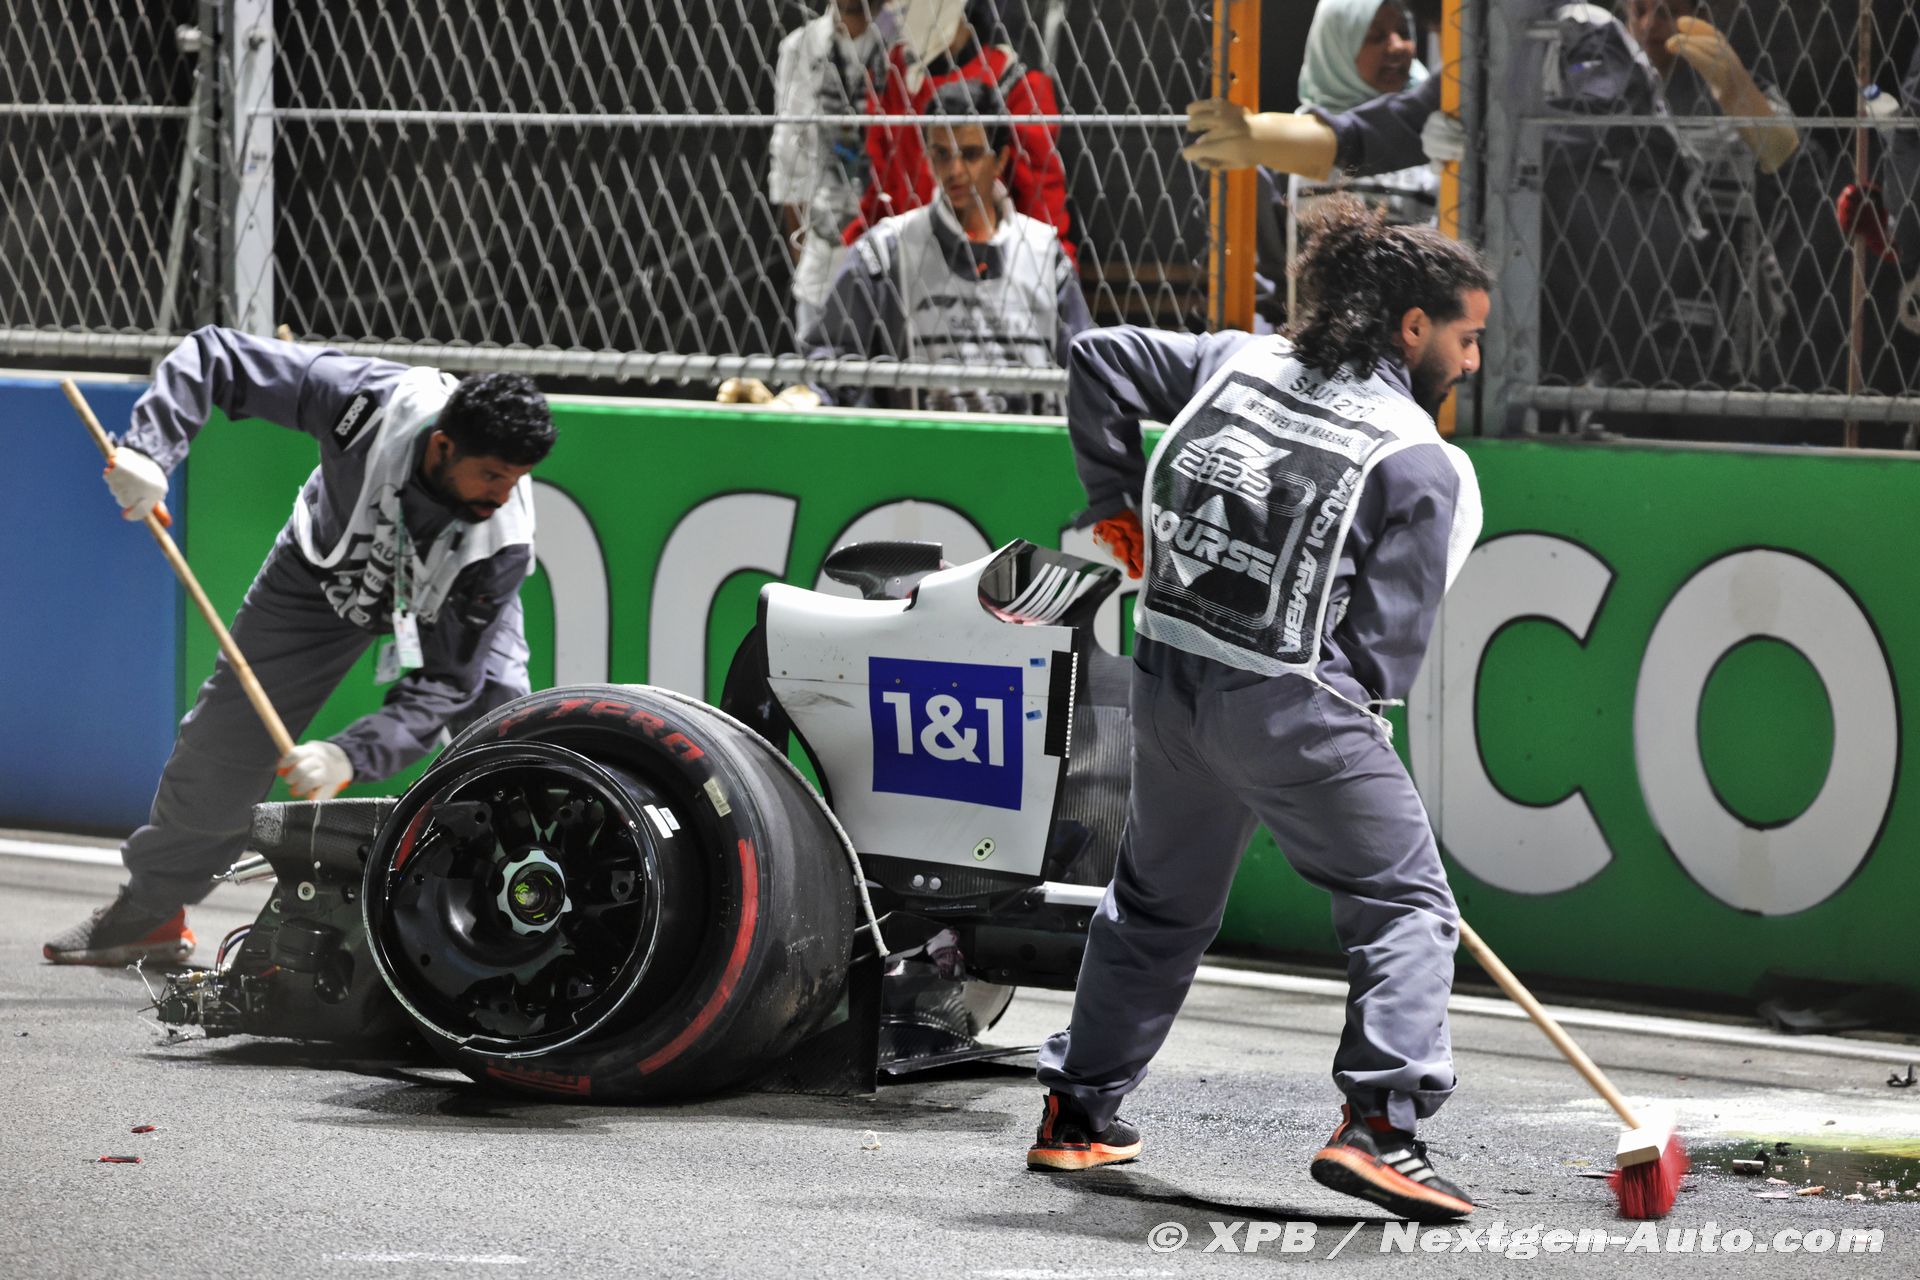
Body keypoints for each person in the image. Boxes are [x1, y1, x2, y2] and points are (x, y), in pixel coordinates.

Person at [1027, 196, 1487, 1224]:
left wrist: (1113, 501)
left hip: (1169, 682)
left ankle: (1077, 1110)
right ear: (1413, 327)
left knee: (1155, 907)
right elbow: (1380, 656)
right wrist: (1332, 745)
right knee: (1405, 905)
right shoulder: (1421, 460)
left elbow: (1098, 358)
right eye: (1466, 337)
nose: (1470, 360)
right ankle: (1381, 1127)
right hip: (1294, 709)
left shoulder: (1236, 359)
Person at [44, 327, 555, 966]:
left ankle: (521, 928)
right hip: (322, 575)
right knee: (225, 739)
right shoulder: (365, 402)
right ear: (443, 445)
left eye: (517, 479)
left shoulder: (499, 543)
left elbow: (446, 684)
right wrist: (148, 450)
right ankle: (150, 913)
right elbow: (215, 356)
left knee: (503, 739)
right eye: (492, 475)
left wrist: (349, 755)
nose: (503, 495)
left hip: (447, 594)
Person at [725, 79, 1089, 415]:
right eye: (941, 154)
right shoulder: (884, 253)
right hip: (919, 455)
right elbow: (831, 359)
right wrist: (795, 399)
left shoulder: (1044, 255)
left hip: (1028, 452)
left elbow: (1084, 371)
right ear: (927, 157)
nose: (955, 170)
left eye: (970, 154)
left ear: (1001, 159)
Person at [850, 0, 1075, 264]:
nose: (891, 9)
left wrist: (1052, 273)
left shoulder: (1014, 85)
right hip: (907, 261)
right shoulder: (890, 76)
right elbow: (881, 188)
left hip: (988, 266)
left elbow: (1042, 208)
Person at [768, 0, 895, 340]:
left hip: (895, 256)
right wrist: (804, 253)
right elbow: (788, 159)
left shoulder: (903, 44)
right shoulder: (800, 47)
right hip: (823, 262)